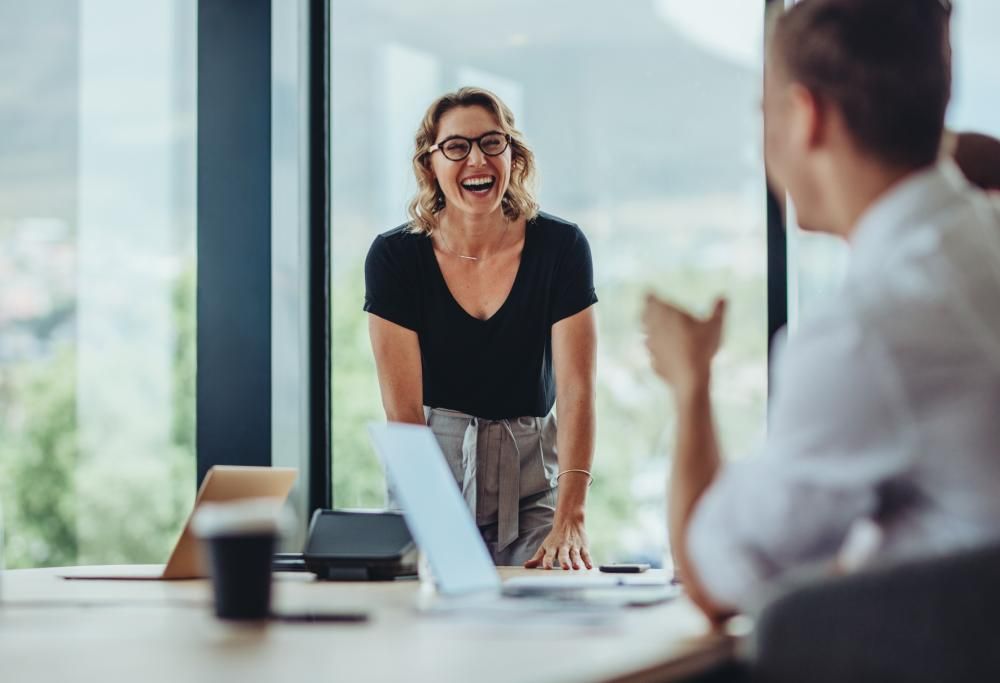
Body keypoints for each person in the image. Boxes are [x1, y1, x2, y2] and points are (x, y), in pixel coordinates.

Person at [643, 0, 1000, 620]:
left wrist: (690, 382)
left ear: (804, 117)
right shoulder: (982, 242)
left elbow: (712, 575)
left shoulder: (870, 329)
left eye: (764, 113)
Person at [364, 87, 598, 569]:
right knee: (430, 632)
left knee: (550, 618)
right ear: (430, 164)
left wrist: (570, 517)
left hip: (533, 491)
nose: (477, 159)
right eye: (456, 146)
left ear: (514, 156)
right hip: (430, 484)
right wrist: (438, 528)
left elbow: (577, 392)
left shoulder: (561, 247)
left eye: (493, 143)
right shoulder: (394, 258)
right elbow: (403, 412)